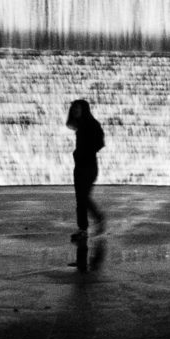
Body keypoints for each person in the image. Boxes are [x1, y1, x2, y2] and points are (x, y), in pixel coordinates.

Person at [66, 99, 104, 241]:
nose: (75, 111)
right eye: (73, 109)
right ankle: (83, 229)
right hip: (80, 166)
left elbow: (100, 143)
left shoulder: (92, 125)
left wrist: (85, 151)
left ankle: (96, 219)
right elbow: (69, 124)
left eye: (77, 108)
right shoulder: (80, 125)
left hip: (89, 166)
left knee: (83, 198)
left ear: (84, 110)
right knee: (80, 199)